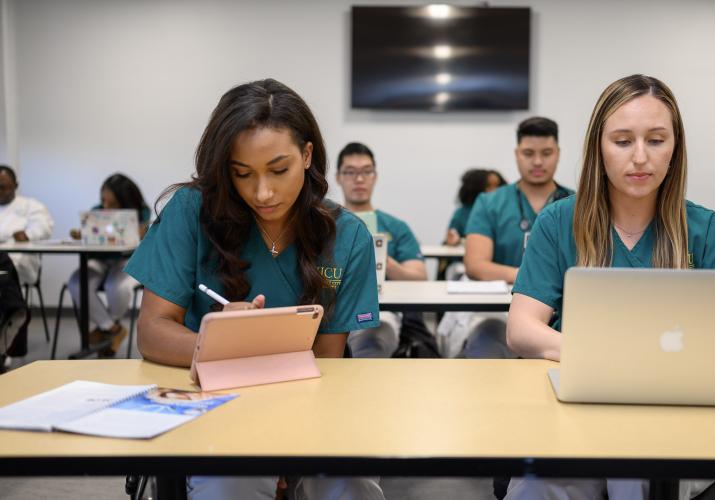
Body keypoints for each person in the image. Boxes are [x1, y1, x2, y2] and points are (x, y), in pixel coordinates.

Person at [124, 79, 384, 500]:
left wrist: (283, 443)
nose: (262, 193)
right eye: (241, 174)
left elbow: (327, 360)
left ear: (307, 155)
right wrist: (221, 346)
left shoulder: (346, 236)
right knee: (233, 481)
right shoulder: (192, 214)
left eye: (279, 170)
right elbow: (152, 330)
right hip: (211, 403)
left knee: (350, 485)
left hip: (310, 404)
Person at [506, 74, 715, 500]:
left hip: (678, 419)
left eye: (655, 140)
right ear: (599, 146)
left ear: (676, 148)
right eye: (622, 141)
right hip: (581, 412)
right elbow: (522, 328)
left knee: (637, 472)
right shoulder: (560, 221)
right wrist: (611, 361)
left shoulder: (707, 230)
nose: (640, 157)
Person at [459, 117, 573, 359]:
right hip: (499, 313)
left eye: (547, 153)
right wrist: (536, 280)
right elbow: (475, 265)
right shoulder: (490, 203)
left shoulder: (578, 205)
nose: (538, 161)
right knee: (485, 346)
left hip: (566, 311)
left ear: (558, 154)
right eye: (529, 153)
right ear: (516, 154)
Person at [335, 142, 429, 358]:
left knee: (372, 337)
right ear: (338, 177)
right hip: (332, 310)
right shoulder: (324, 223)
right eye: (350, 172)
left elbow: (419, 277)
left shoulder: (395, 227)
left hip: (380, 311)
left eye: (366, 171)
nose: (359, 179)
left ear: (375, 176)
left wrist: (380, 258)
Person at [67, 173, 149, 356]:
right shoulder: (96, 211)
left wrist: (140, 232)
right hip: (99, 259)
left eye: (113, 204)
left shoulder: (141, 212)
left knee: (117, 287)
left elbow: (140, 237)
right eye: (104, 201)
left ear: (126, 201)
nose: (105, 207)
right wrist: (84, 235)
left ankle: (104, 330)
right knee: (76, 283)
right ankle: (113, 329)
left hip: (126, 259)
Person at [0, 164, 54, 286]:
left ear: (15, 186)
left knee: (2, 271)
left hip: (21, 259)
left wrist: (28, 235)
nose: (0, 191)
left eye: (3, 187)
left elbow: (44, 227)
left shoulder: (31, 205)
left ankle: (11, 304)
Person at [444, 168, 506, 246]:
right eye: (488, 186)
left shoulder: (507, 211)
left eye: (498, 185)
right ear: (475, 189)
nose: (495, 190)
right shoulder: (462, 214)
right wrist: (452, 241)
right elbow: (450, 240)